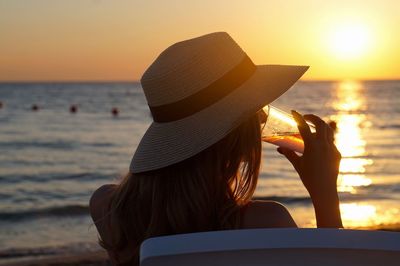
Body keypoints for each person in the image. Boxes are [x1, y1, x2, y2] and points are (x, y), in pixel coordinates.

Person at [90, 32, 342, 266]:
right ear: (239, 139)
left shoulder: (107, 208)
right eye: (259, 113)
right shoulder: (266, 223)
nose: (262, 122)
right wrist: (325, 194)